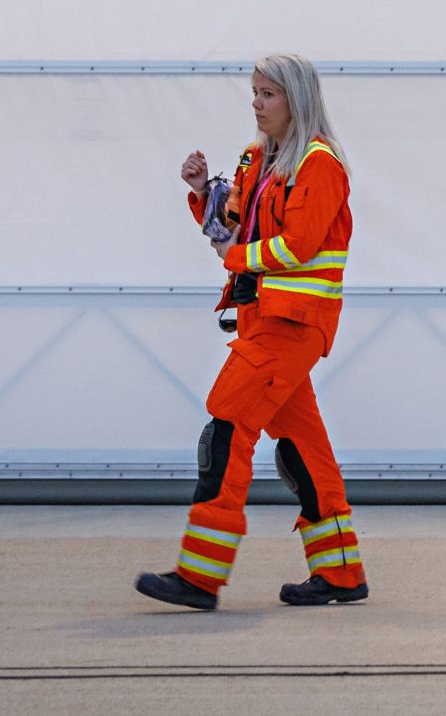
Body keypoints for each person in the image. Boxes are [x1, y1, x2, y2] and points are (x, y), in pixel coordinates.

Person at [135, 52, 368, 611]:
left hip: (292, 326)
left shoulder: (320, 165)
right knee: (302, 451)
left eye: (268, 94)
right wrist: (200, 193)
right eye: (254, 93)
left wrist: (235, 258)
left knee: (226, 430)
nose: (257, 104)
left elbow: (296, 247)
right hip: (263, 320)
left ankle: (199, 575)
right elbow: (231, 226)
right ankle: (341, 573)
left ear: (297, 99)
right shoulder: (255, 158)